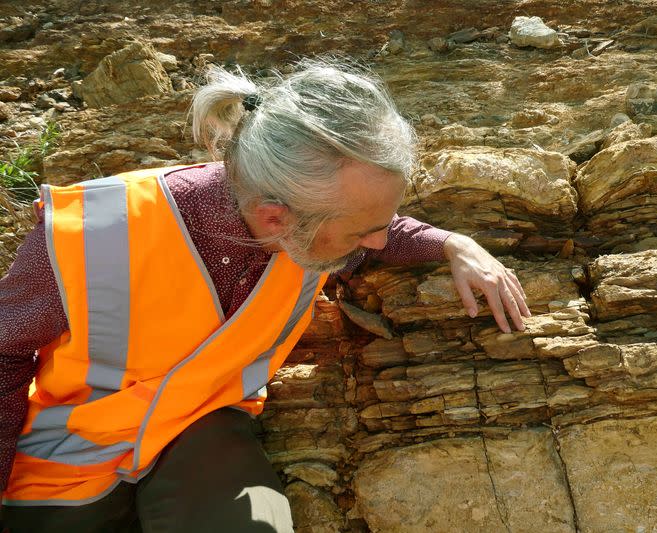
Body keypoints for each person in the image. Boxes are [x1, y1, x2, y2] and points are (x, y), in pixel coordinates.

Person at [0, 58, 530, 532]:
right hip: (65, 459)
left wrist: (451, 244)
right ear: (277, 218)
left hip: (207, 431)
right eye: (362, 232)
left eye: (382, 224)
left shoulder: (313, 228)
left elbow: (380, 233)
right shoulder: (88, 233)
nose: (377, 241)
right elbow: (4, 352)